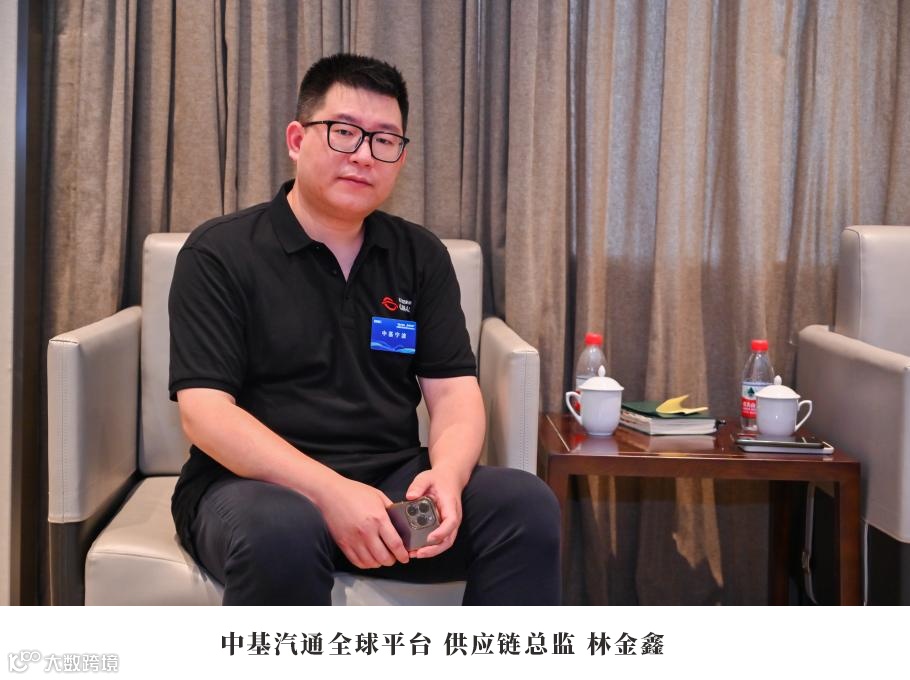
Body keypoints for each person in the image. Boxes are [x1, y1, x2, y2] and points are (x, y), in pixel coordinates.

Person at [168, 52, 560, 605]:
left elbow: (454, 393)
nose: (363, 155)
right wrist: (330, 493)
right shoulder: (220, 251)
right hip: (253, 490)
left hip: (389, 499)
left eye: (384, 140)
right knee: (282, 532)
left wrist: (448, 476)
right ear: (297, 140)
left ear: (400, 158)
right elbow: (204, 413)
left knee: (525, 506)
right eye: (344, 132)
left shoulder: (419, 255)